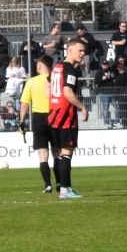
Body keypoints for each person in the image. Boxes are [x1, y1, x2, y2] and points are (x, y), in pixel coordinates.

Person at [49, 38, 89, 200]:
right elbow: (67, 92)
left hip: (53, 115)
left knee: (59, 154)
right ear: (70, 50)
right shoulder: (70, 69)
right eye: (79, 50)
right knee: (66, 153)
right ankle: (65, 190)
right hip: (65, 116)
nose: (82, 54)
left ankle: (64, 186)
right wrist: (82, 107)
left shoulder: (57, 67)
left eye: (84, 51)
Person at [19, 55, 54, 194]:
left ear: (40, 66)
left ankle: (48, 185)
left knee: (43, 154)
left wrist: (21, 123)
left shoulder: (32, 81)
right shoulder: (55, 79)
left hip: (39, 118)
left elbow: (24, 105)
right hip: (54, 116)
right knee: (57, 153)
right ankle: (60, 184)